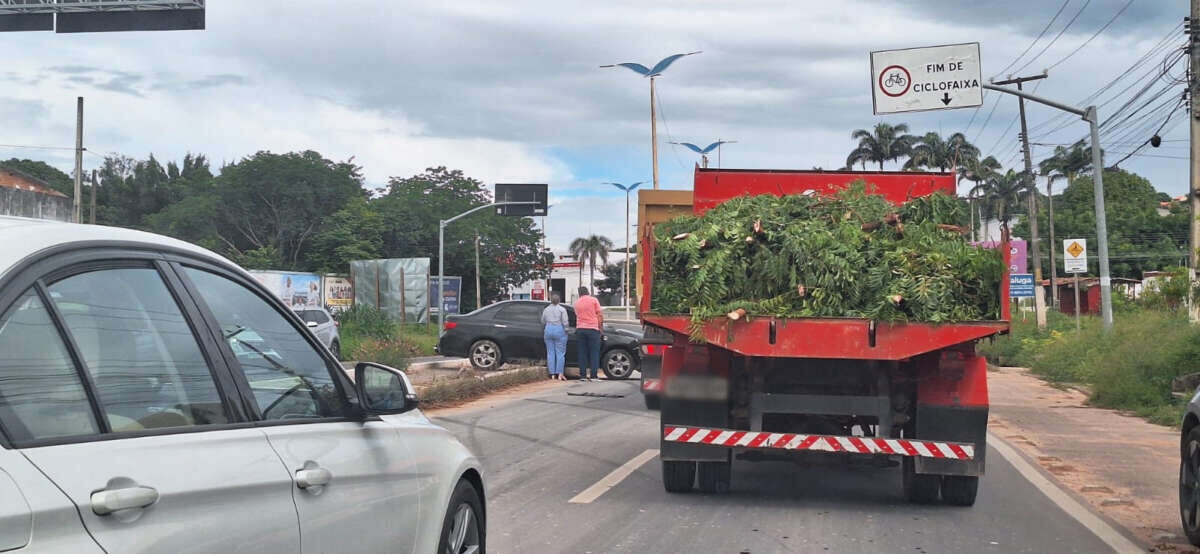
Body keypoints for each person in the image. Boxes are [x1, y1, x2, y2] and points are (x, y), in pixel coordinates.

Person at [573, 286, 603, 381]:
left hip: (580, 329)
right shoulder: (594, 300)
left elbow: (577, 315)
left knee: (582, 352)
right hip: (592, 329)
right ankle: (593, 375)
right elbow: (599, 314)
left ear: (579, 293)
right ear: (588, 292)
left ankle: (583, 375)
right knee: (594, 352)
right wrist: (600, 328)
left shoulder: (576, 303)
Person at [541, 294, 569, 381]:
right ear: (559, 300)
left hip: (548, 329)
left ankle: (552, 374)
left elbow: (543, 321)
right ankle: (560, 373)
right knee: (560, 353)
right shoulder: (562, 309)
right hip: (559, 329)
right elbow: (565, 322)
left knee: (550, 352)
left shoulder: (546, 309)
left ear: (551, 300)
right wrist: (567, 330)